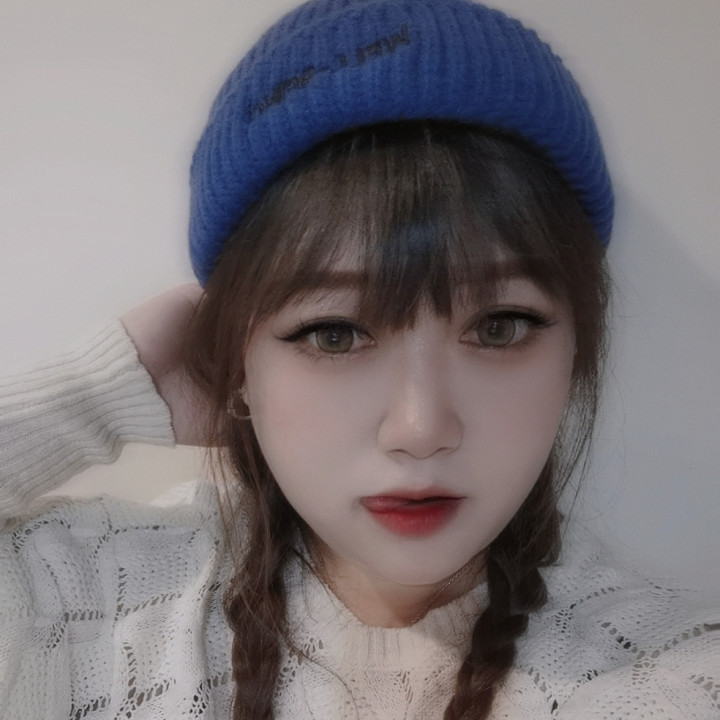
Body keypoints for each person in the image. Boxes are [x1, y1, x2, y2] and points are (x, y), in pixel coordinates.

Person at [0, 1, 717, 718]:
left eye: (500, 327)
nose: (419, 429)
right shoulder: (78, 595)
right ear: (237, 364)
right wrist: (92, 398)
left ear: (575, 351)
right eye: (334, 334)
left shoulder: (675, 681)